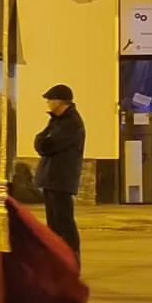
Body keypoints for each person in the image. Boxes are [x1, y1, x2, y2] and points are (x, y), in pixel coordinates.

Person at [34, 84, 85, 262]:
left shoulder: (71, 124)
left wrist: (42, 142)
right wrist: (41, 141)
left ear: (60, 101)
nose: (48, 102)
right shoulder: (56, 120)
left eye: (50, 99)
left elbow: (47, 145)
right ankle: (57, 258)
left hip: (61, 178)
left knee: (64, 223)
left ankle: (71, 258)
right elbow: (40, 140)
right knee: (53, 224)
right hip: (51, 178)